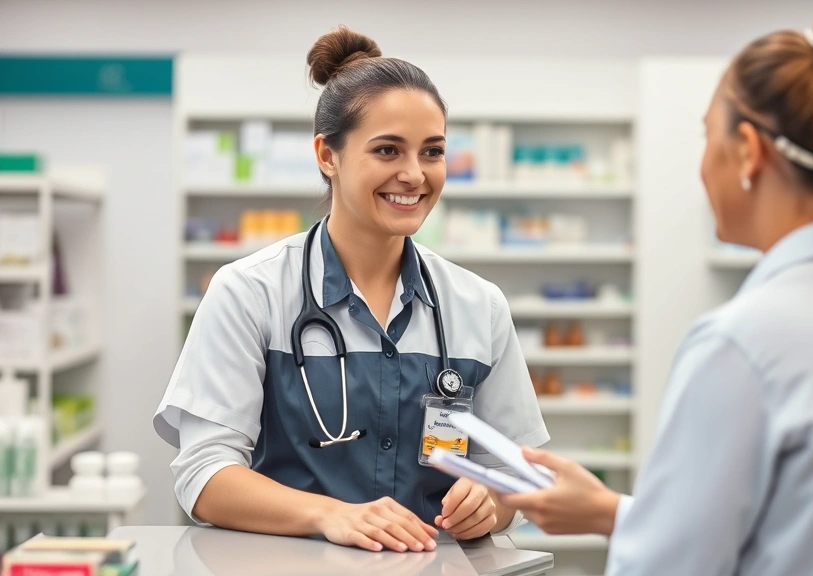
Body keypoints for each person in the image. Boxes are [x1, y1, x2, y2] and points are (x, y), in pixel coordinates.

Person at [498, 9, 813, 576]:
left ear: (750, 151)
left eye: (709, 135)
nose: (703, 164)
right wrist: (616, 513)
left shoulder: (743, 345)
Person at [154, 26, 548, 553]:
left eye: (432, 152)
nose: (414, 174)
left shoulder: (478, 305)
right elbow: (204, 475)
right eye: (388, 150)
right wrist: (330, 516)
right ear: (327, 155)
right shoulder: (251, 293)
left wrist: (491, 503)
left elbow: (511, 472)